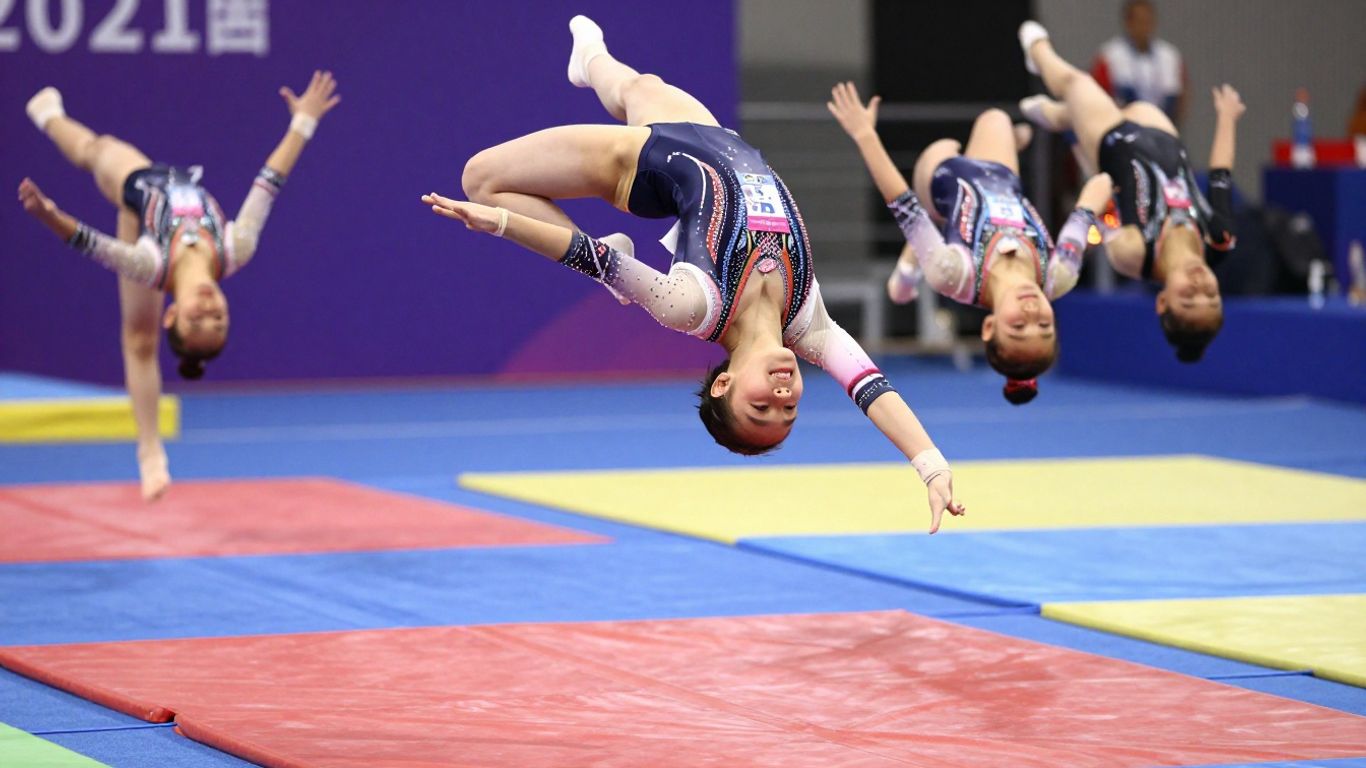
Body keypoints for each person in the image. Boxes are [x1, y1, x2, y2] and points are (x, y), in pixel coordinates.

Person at [423, 16, 965, 532]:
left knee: (482, 179)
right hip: (716, 139)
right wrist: (931, 467)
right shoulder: (810, 324)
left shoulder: (693, 306)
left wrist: (497, 222)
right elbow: (873, 390)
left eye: (761, 405)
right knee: (639, 85)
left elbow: (583, 252)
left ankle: (579, 225)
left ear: (725, 382)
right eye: (790, 407)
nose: (782, 393)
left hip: (642, 165)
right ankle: (590, 60)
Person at [16, 71, 341, 500]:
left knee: (138, 338)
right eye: (218, 316)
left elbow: (92, 244)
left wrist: (48, 214)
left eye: (196, 317)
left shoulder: (150, 264)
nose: (208, 306)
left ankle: (150, 451)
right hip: (171, 183)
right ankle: (50, 116)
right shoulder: (236, 247)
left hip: (140, 197)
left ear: (173, 311)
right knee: (93, 148)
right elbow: (270, 180)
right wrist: (304, 121)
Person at [827, 82, 1113, 404]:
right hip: (999, 178)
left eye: (1019, 325)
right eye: (1044, 323)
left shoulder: (955, 274)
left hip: (940, 186)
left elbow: (903, 205)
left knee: (942, 151)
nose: (1031, 310)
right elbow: (1093, 196)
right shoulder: (1059, 275)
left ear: (989, 327)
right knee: (995, 119)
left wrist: (865, 135)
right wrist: (1106, 181)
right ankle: (917, 255)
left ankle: (908, 271)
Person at [1018, 21, 1245, 363]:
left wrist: (1086, 154)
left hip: (1112, 142)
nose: (1201, 288)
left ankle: (1037, 52)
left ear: (1163, 301)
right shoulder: (1219, 239)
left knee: (1076, 83)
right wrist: (1227, 118)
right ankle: (1064, 116)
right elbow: (1220, 177)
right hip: (1162, 134)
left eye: (1189, 299)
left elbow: (1102, 203)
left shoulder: (1135, 253)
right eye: (1212, 298)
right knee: (1091, 106)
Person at [1092, 0, 1187, 126]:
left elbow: (1180, 97)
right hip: (1123, 125)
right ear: (1128, 23)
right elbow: (1097, 95)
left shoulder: (1169, 56)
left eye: (1147, 21)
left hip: (1161, 124)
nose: (1143, 27)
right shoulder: (1111, 56)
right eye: (1139, 22)